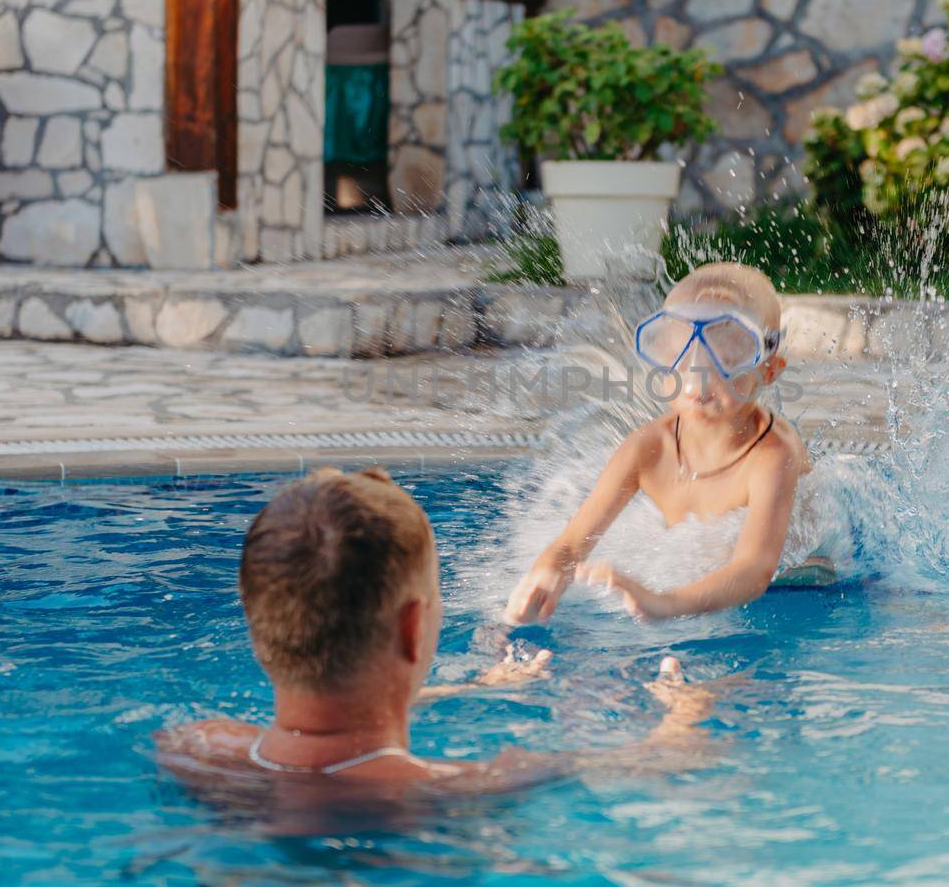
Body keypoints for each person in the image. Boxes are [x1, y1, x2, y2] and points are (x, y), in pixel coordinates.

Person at [156, 467, 711, 806]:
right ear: (414, 626)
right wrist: (684, 711)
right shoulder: (454, 786)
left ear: (258, 624)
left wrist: (469, 687)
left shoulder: (196, 747)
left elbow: (327, 734)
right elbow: (663, 759)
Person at [506, 262, 836, 625]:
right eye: (680, 357)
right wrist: (547, 575)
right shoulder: (648, 449)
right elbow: (570, 544)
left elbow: (753, 570)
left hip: (801, 590)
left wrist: (665, 603)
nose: (698, 379)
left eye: (725, 362)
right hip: (718, 590)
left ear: (768, 370)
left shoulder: (773, 456)